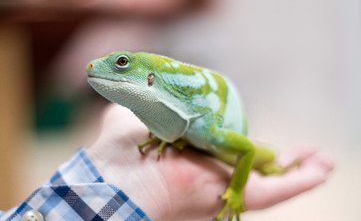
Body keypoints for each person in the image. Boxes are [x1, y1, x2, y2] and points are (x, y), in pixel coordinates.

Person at [0, 104, 334, 221]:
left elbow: (246, 150)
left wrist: (235, 190)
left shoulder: (204, 127)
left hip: (235, 151)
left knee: (269, 158)